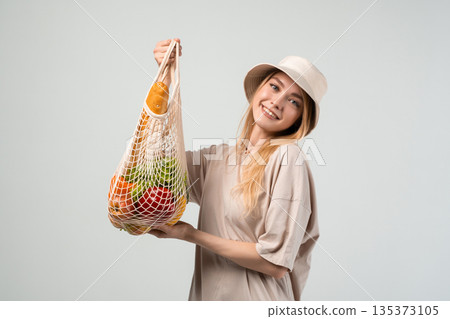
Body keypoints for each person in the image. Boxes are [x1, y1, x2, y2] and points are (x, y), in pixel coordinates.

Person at [149, 38, 328, 301]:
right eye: (275, 86)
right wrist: (164, 75)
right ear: (259, 90)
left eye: (294, 101)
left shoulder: (288, 159)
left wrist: (190, 235)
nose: (277, 102)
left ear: (301, 118)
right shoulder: (218, 158)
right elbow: (155, 161)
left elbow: (275, 263)